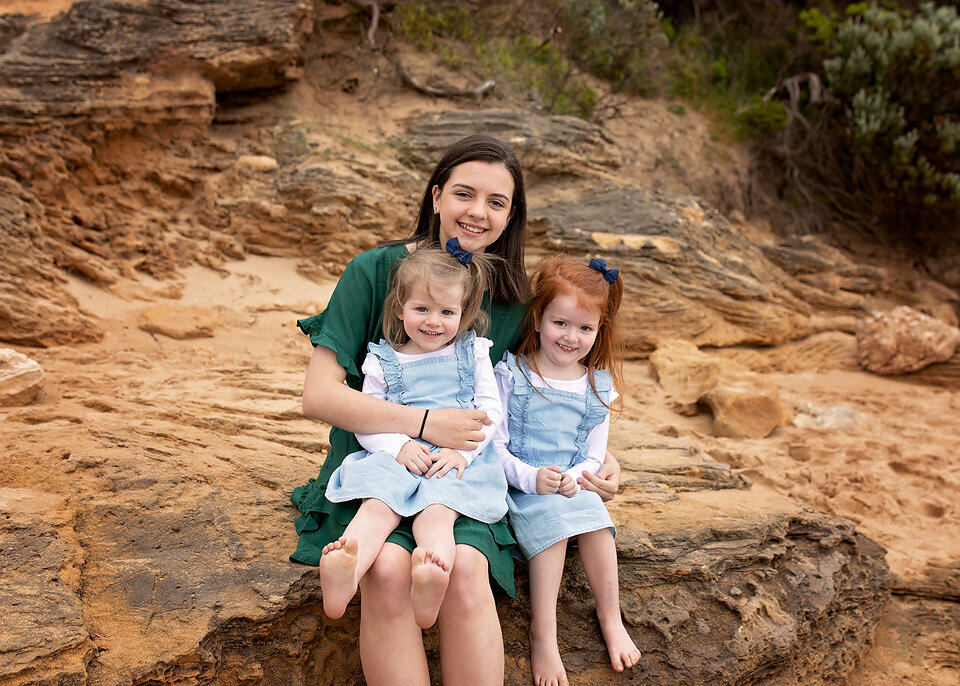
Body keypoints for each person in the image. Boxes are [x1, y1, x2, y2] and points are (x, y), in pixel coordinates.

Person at [290, 134, 621, 686]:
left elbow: (549, 389)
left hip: (461, 470)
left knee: (464, 568)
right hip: (381, 461)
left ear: (511, 216)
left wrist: (599, 461)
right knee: (389, 568)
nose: (478, 212)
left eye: (497, 202)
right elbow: (318, 396)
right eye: (465, 194)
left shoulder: (514, 300)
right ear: (437, 195)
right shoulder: (375, 271)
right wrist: (419, 425)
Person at [319, 241, 509, 630]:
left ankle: (431, 571)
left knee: (437, 514)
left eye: (446, 312)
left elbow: (491, 412)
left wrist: (464, 456)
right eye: (421, 309)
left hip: (453, 456)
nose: (433, 321)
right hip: (399, 455)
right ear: (400, 308)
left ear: (464, 313)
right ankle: (345, 571)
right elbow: (367, 420)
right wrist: (397, 446)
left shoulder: (473, 353)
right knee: (377, 506)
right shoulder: (382, 358)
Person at [494, 256, 641, 686]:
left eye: (584, 329)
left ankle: (610, 617)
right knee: (556, 522)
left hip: (570, 487)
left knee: (597, 521)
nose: (571, 337)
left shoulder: (596, 385)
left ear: (599, 332)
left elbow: (595, 453)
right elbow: (495, 447)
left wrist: (581, 479)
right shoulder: (512, 374)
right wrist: (530, 479)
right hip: (522, 488)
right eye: (561, 323)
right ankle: (544, 632)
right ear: (538, 318)